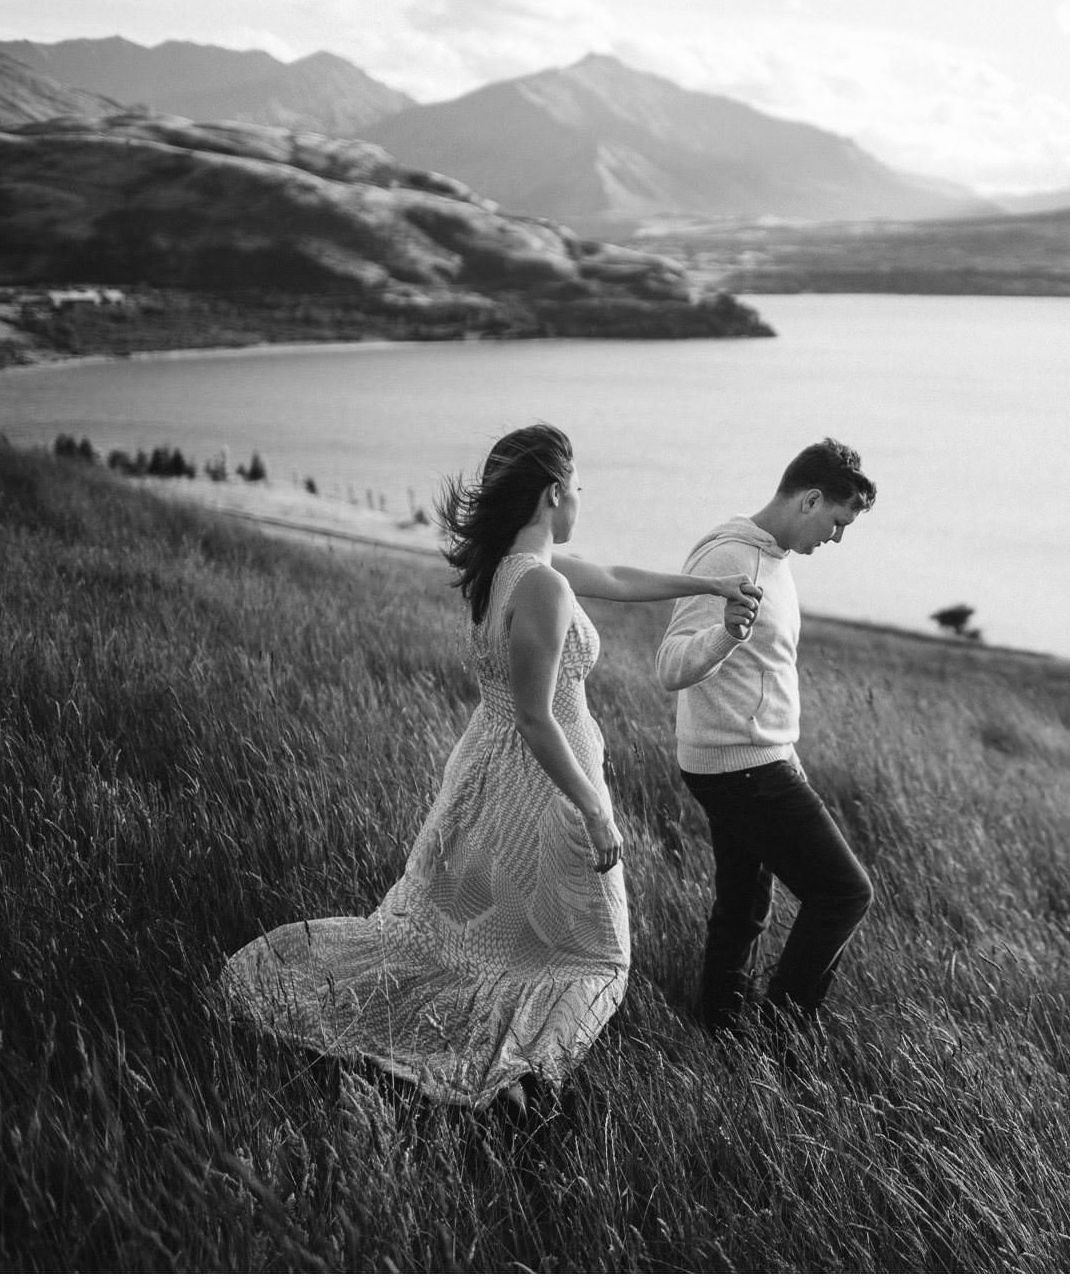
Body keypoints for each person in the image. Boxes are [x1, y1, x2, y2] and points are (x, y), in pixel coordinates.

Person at [221, 424, 758, 1111]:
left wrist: (710, 583)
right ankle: (522, 1078)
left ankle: (511, 1067)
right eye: (579, 487)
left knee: (502, 949)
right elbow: (537, 717)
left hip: (493, 777)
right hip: (543, 789)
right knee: (597, 961)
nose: (582, 499)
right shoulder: (542, 588)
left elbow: (621, 579)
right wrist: (594, 807)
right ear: (555, 493)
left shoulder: (513, 569)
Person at [656, 438, 877, 1035]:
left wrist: (790, 756)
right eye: (836, 522)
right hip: (737, 767)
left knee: (743, 909)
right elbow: (670, 665)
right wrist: (725, 635)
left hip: (754, 758)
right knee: (844, 895)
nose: (835, 538)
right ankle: (782, 1041)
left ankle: (721, 1032)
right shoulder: (729, 558)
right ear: (810, 500)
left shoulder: (774, 558)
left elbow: (769, 678)